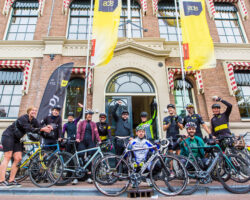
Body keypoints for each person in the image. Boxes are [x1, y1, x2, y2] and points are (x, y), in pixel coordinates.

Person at [0, 107, 51, 188]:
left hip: (17, 139)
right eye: (32, 110)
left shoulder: (34, 120)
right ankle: (1, 181)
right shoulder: (23, 118)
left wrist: (48, 129)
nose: (34, 112)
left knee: (18, 158)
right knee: (8, 156)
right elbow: (29, 129)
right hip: (8, 136)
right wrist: (42, 129)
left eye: (35, 110)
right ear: (28, 111)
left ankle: (11, 180)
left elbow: (39, 128)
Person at [76, 109, 101, 184]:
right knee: (80, 157)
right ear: (86, 115)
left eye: (91, 114)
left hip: (91, 142)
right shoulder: (81, 123)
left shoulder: (93, 124)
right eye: (89, 114)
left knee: (89, 158)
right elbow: (78, 131)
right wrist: (77, 138)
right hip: (82, 141)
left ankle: (89, 177)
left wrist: (99, 140)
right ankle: (80, 176)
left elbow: (96, 133)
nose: (90, 115)